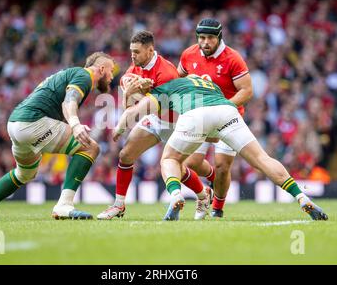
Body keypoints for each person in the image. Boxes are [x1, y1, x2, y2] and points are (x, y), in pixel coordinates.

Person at [113, 75, 328, 221]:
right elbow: (214, 134)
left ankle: (176, 195)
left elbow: (133, 113)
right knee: (262, 159)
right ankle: (301, 197)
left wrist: (118, 130)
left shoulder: (164, 88)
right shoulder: (206, 83)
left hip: (196, 115)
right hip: (228, 110)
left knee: (169, 160)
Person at [0, 52, 115, 220]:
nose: (112, 76)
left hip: (15, 123)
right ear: (102, 69)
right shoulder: (84, 75)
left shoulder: (70, 74)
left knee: (24, 174)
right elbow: (69, 100)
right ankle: (64, 205)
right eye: (111, 71)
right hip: (33, 123)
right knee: (90, 148)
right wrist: (75, 124)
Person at [97, 30, 213, 220]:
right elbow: (129, 107)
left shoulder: (166, 72)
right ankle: (118, 205)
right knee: (125, 155)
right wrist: (128, 94)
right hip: (154, 118)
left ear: (150, 51)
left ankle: (202, 194)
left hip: (175, 123)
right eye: (131, 51)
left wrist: (143, 93)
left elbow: (159, 106)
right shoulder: (134, 69)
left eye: (137, 52)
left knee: (177, 168)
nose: (132, 56)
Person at [178, 18, 253, 217]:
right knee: (190, 163)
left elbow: (246, 91)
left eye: (210, 38)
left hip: (228, 119)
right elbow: (178, 80)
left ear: (219, 38)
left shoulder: (233, 58)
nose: (205, 42)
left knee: (222, 166)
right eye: (201, 37)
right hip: (200, 118)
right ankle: (209, 188)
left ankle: (218, 208)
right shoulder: (189, 54)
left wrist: (224, 108)